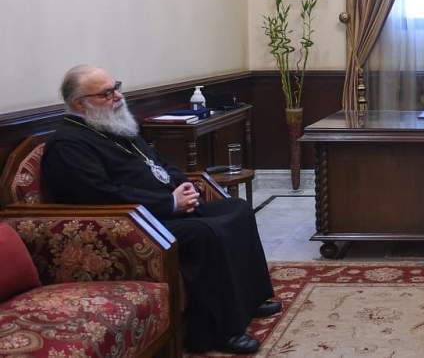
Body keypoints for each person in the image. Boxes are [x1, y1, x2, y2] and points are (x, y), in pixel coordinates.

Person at [41, 65, 281, 355]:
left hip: (162, 207)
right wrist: (170, 203)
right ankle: (220, 332)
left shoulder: (111, 124)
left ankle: (250, 300)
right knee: (205, 233)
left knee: (237, 210)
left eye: (117, 87)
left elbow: (159, 162)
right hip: (133, 222)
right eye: (107, 93)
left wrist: (183, 187)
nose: (118, 96)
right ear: (80, 103)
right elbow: (99, 194)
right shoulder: (67, 144)